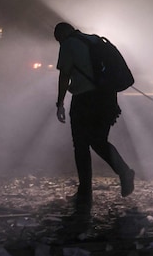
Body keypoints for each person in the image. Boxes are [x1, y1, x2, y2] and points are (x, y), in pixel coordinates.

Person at [54, 22, 135, 213]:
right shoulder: (95, 40)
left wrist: (60, 103)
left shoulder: (68, 44)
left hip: (84, 100)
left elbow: (64, 75)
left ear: (61, 35)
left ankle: (85, 192)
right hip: (107, 98)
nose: (59, 44)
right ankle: (124, 171)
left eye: (58, 40)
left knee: (81, 145)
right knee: (98, 140)